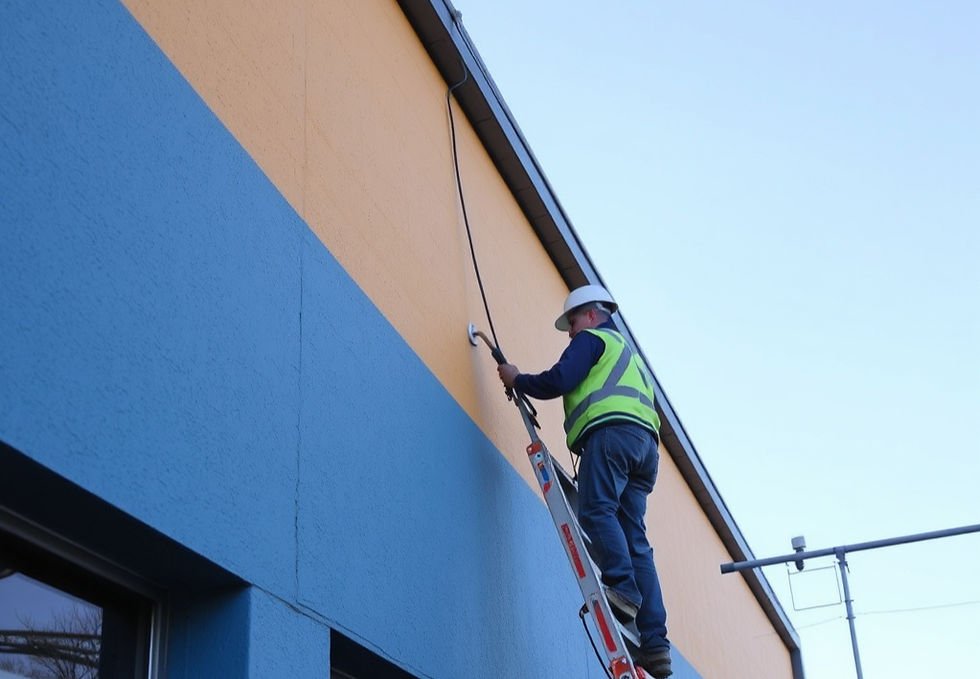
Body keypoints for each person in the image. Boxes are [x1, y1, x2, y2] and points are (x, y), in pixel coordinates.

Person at [497, 284, 672, 678]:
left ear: (592, 314)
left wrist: (518, 379)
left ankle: (623, 591)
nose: (571, 332)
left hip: (610, 437)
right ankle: (656, 644)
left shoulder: (593, 339)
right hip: (644, 449)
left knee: (596, 510)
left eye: (572, 322)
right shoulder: (631, 357)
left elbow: (561, 378)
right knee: (636, 540)